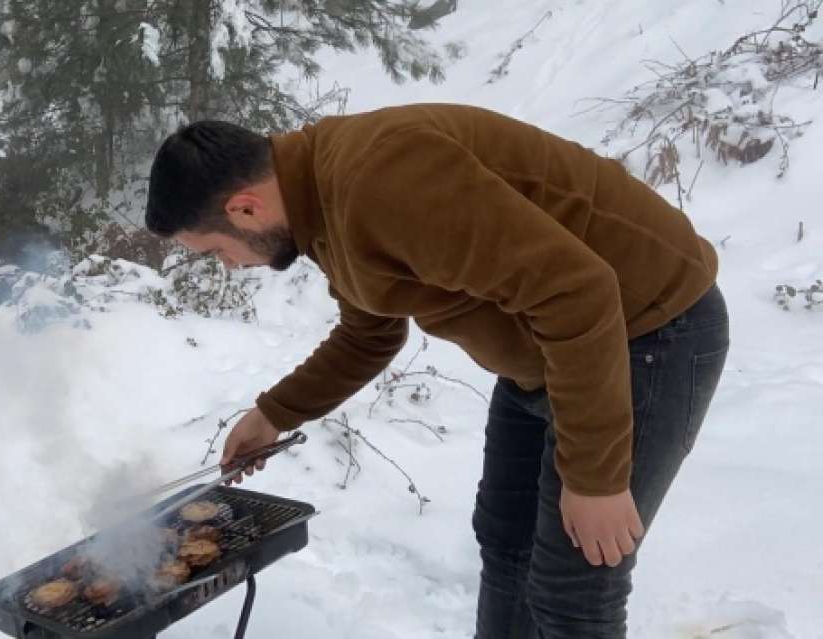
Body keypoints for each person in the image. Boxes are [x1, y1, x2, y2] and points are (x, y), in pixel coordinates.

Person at [143, 103, 729, 637]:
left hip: (648, 332)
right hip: (548, 358)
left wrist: (596, 478)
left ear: (244, 208)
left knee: (572, 590)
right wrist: (273, 414)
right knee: (505, 548)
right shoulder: (318, 204)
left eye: (216, 252)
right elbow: (370, 331)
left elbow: (578, 293)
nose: (229, 266)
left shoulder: (382, 179)